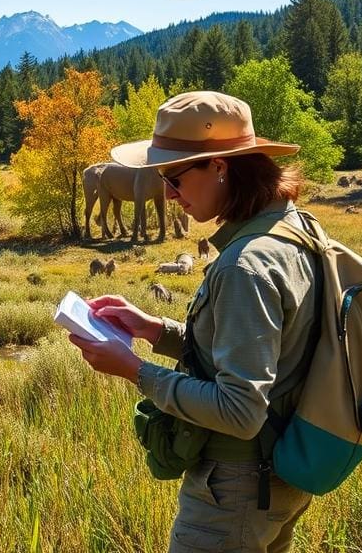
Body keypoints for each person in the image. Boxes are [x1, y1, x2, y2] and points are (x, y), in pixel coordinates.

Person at [69, 91, 316, 553]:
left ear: (219, 166)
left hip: (233, 494)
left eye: (175, 177)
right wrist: (154, 330)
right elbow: (263, 351)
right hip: (275, 480)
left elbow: (240, 411)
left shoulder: (246, 265)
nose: (166, 192)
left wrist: (134, 369)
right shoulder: (291, 229)